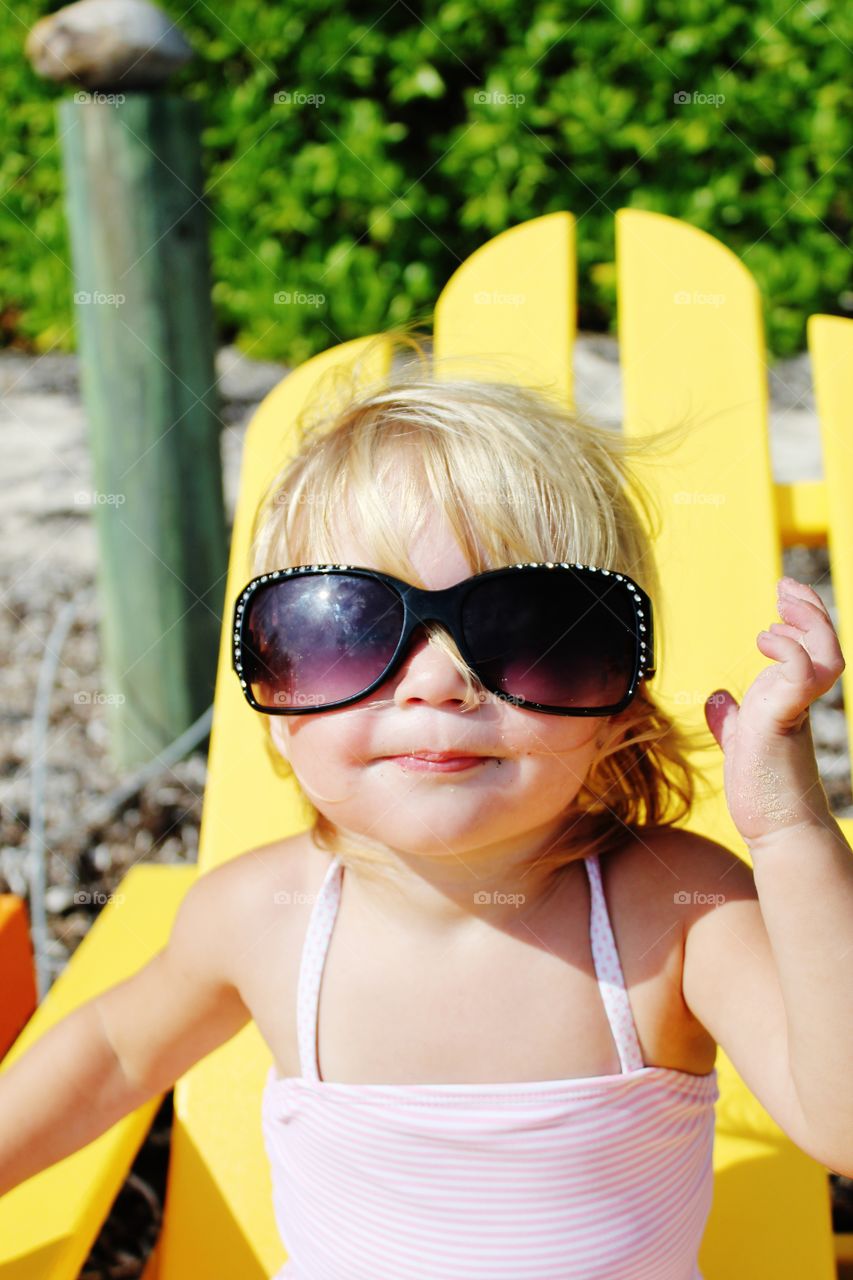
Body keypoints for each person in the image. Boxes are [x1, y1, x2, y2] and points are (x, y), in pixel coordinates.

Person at [2, 334, 852, 1280]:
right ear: (277, 706)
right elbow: (111, 1055)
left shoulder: (672, 913)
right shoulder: (258, 920)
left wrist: (789, 831)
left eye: (528, 630)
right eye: (348, 631)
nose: (439, 682)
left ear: (618, 704)